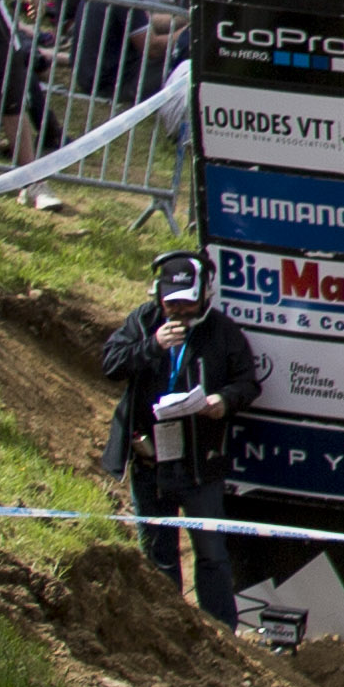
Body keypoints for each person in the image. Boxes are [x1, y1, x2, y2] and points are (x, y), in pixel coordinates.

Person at [96, 250, 263, 624]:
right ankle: (166, 628)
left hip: (201, 465)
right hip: (150, 463)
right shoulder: (143, 322)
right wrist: (153, 344)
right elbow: (110, 363)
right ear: (158, 296)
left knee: (212, 556)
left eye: (188, 303)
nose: (180, 312)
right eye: (172, 304)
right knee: (158, 556)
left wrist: (224, 400)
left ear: (205, 295)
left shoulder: (222, 331)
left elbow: (248, 383)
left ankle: (221, 633)